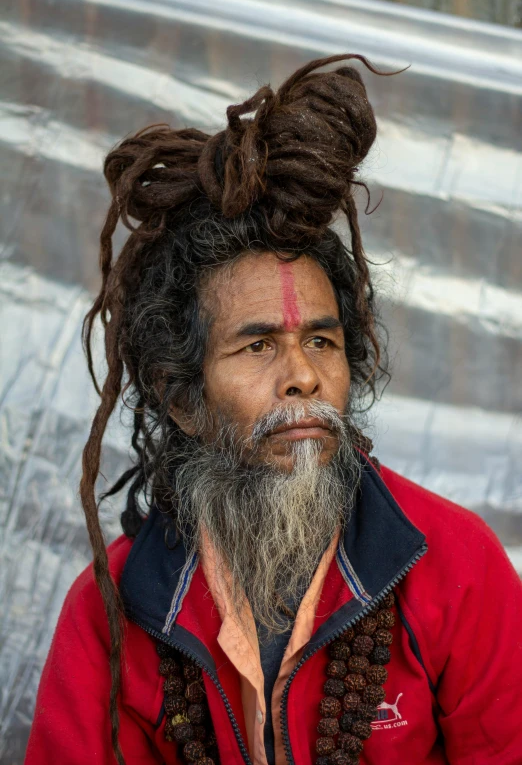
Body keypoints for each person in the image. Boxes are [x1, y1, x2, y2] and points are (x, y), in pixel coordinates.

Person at [25, 53, 522, 765]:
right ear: (183, 400)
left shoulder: (459, 570)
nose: (304, 377)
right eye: (258, 346)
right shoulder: (112, 616)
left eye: (322, 340)